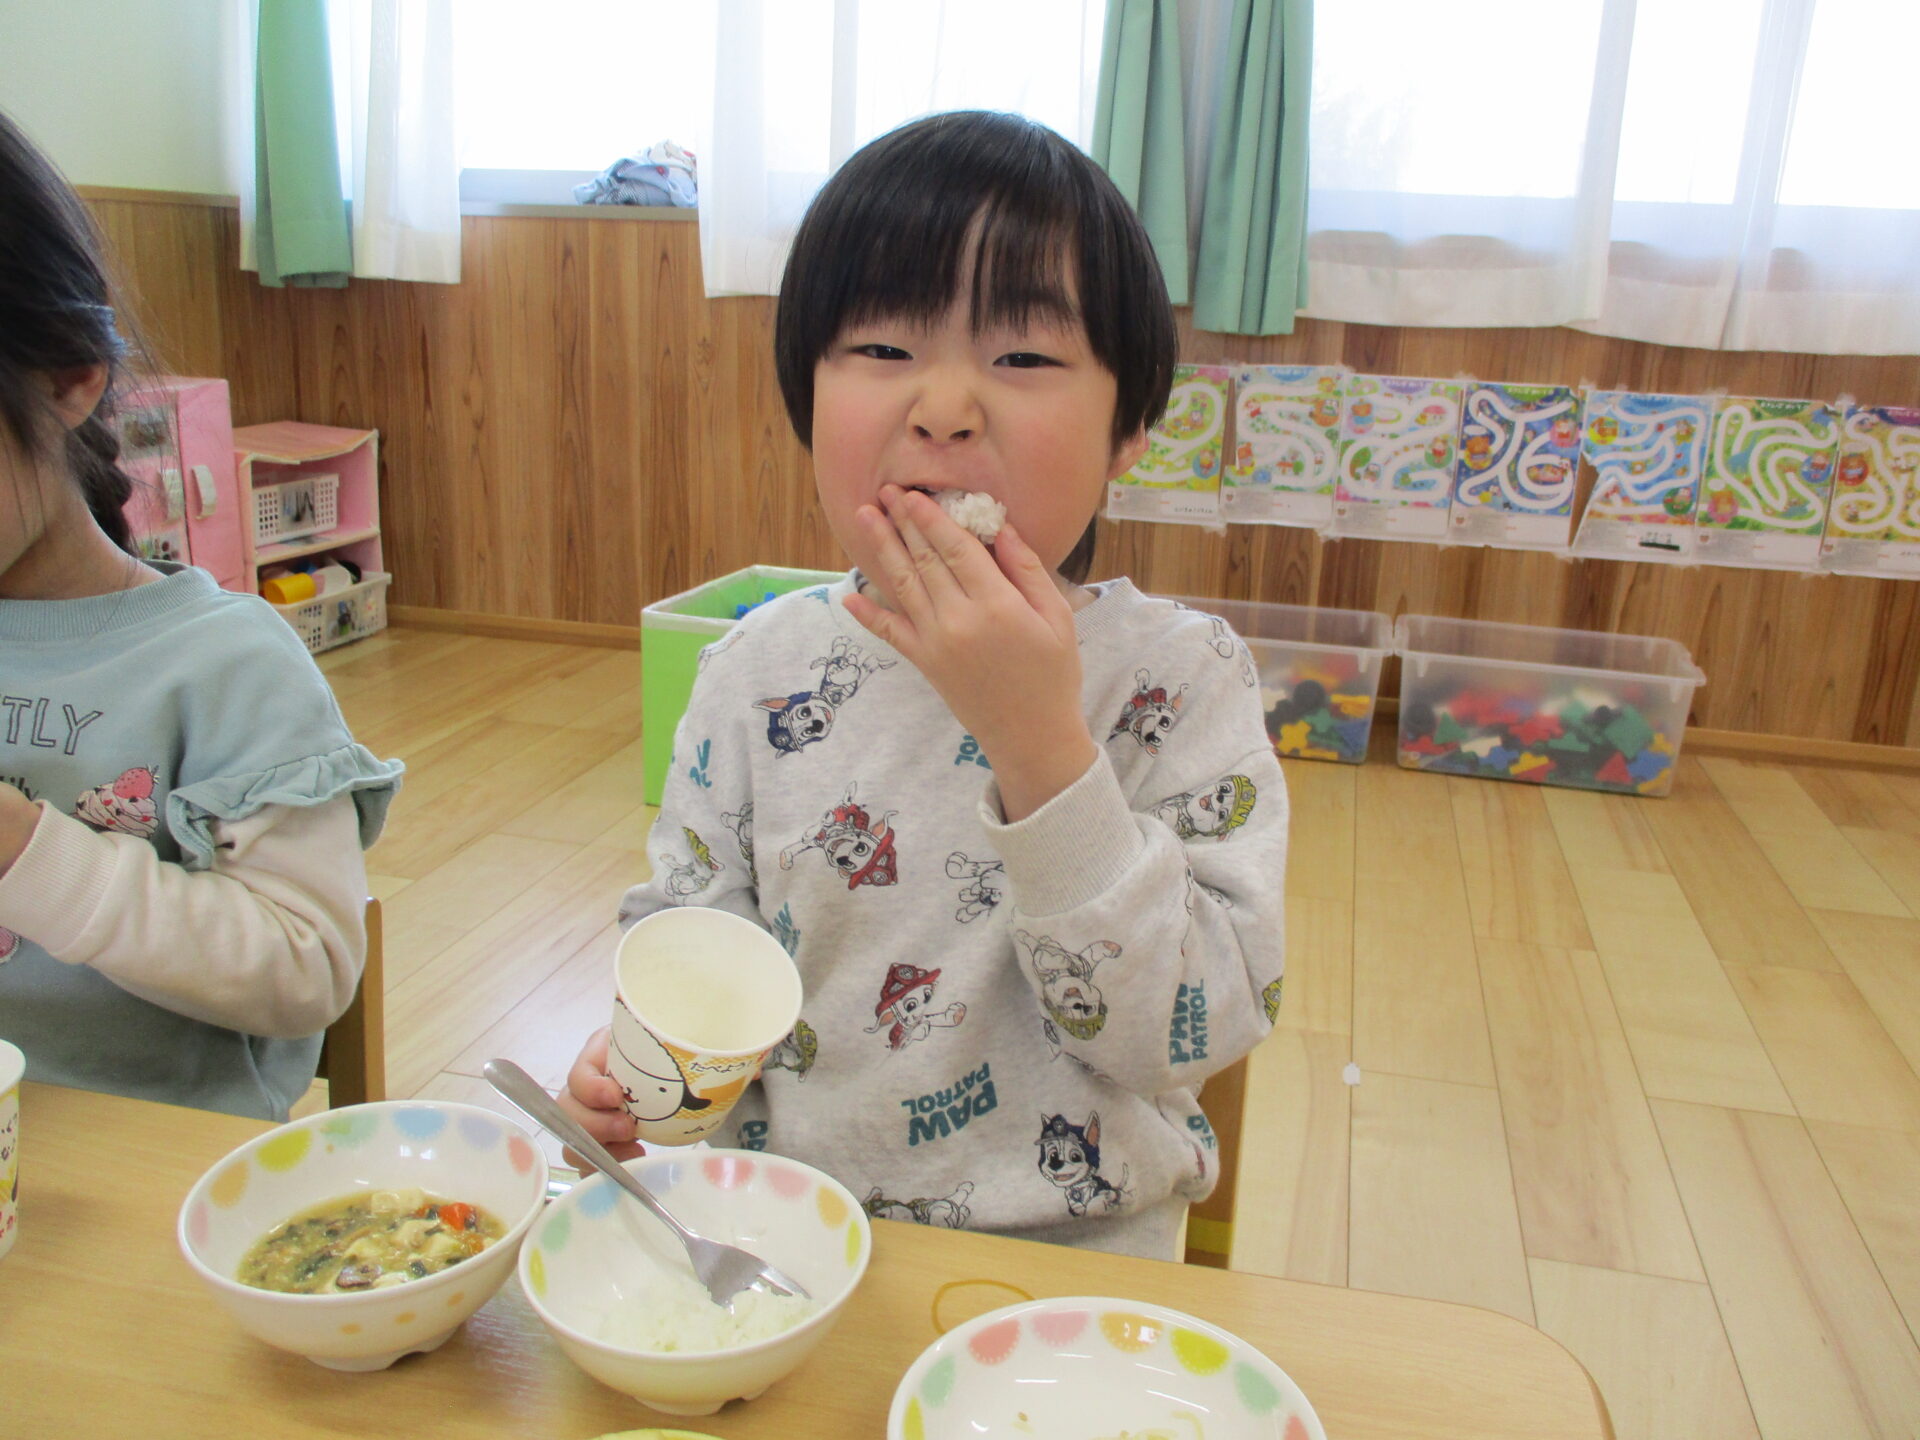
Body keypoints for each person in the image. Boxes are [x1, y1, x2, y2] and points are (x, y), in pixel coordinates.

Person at [564, 110, 1286, 1258]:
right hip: (784, 1238)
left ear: (1129, 428)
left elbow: (1195, 1025)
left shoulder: (1181, 681)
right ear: (807, 401)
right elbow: (694, 935)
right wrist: (637, 1067)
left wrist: (1040, 744)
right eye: (883, 349)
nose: (944, 407)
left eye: (1024, 358)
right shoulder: (757, 673)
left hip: (1077, 1261)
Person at [0, 109, 404, 1121]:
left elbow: (307, 966)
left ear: (67, 377)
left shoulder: (222, 665)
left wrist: (27, 853)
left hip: (157, 1175)